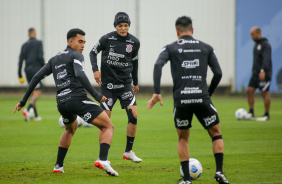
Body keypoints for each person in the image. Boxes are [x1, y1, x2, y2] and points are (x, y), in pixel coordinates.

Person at [14, 28, 119, 177]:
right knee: (108, 125)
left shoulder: (54, 59)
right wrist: (96, 95)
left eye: (84, 42)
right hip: (77, 99)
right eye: (80, 41)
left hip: (62, 102)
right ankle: (103, 159)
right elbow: (79, 73)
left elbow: (36, 76)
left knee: (70, 128)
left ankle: (58, 165)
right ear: (70, 41)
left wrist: (24, 100)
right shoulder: (76, 55)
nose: (83, 45)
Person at [147, 16, 229, 184]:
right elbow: (218, 73)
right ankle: (219, 172)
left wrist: (157, 91)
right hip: (202, 97)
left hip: (181, 99)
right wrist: (209, 93)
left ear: (177, 31)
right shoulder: (206, 47)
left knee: (183, 138)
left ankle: (186, 180)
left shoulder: (170, 48)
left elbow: (157, 66)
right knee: (216, 133)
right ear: (192, 30)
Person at [89, 12, 142, 163]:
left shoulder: (134, 42)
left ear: (129, 26)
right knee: (105, 121)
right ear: (115, 26)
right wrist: (95, 70)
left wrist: (136, 82)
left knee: (134, 115)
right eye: (120, 26)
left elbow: (135, 63)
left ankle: (129, 152)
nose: (123, 28)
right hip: (108, 87)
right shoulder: (106, 39)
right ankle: (102, 157)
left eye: (126, 25)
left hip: (125, 85)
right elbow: (92, 52)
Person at [18, 28, 45, 121]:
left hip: (27, 70)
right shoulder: (38, 43)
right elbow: (40, 56)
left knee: (32, 92)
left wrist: (19, 75)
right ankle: (27, 109)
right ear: (34, 33)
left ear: (28, 34)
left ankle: (36, 115)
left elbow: (20, 60)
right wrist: (45, 67)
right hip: (36, 70)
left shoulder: (24, 45)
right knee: (37, 91)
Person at [246, 26, 272, 121]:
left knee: (264, 92)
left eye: (252, 34)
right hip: (255, 73)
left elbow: (266, 59)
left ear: (258, 33)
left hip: (264, 73)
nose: (251, 37)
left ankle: (266, 115)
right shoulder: (256, 45)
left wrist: (263, 71)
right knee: (249, 90)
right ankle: (251, 113)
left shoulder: (266, 44)